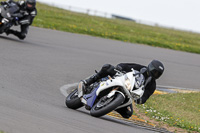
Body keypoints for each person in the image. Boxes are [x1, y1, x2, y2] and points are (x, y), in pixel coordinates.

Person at [80, 60, 164, 118]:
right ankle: (89, 81)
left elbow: (146, 96)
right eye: (155, 71)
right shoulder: (140, 68)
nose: (155, 74)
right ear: (151, 67)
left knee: (128, 113)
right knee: (108, 67)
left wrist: (140, 100)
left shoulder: (152, 85)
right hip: (120, 81)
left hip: (128, 94)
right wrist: (120, 67)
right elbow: (125, 65)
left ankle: (110, 105)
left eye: (158, 74)